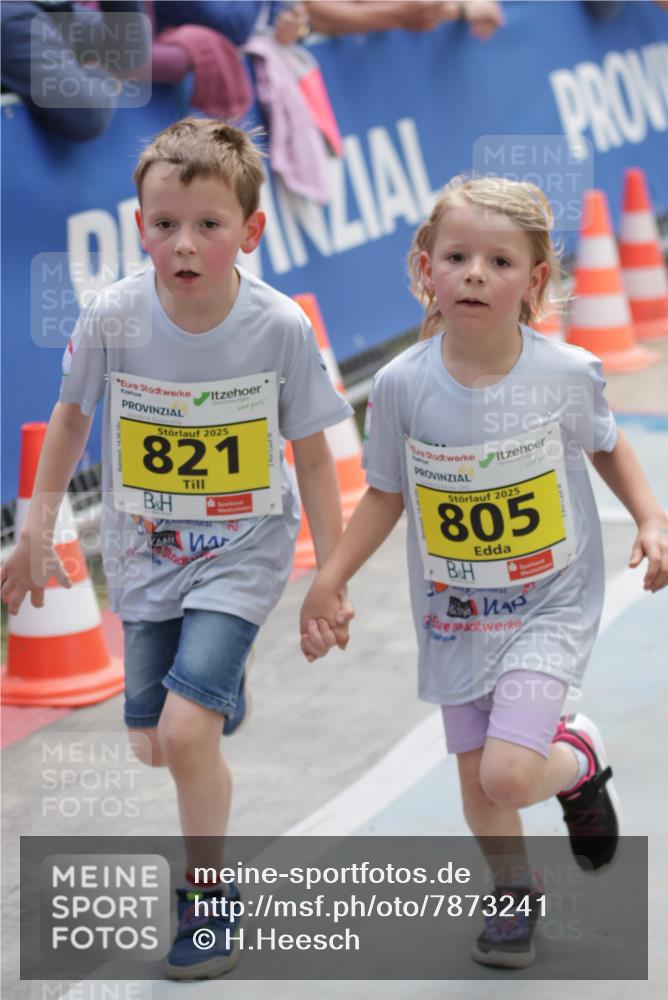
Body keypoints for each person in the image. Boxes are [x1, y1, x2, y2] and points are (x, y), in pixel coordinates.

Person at [0, 117, 353, 980]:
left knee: (189, 734)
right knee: (155, 742)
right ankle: (214, 690)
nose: (184, 245)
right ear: (138, 225)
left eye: (208, 225)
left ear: (251, 231)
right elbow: (73, 418)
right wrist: (35, 526)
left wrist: (331, 581)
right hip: (145, 551)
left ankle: (209, 899)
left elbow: (311, 451)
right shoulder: (115, 314)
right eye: (164, 225)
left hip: (244, 548)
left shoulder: (277, 328)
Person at [299, 175, 668, 968]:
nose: (473, 273)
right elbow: (387, 493)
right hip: (455, 613)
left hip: (549, 605)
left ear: (534, 281)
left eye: (499, 261)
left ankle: (579, 759)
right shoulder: (400, 385)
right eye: (456, 255)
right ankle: (511, 898)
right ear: (423, 266)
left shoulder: (564, 372)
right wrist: (332, 577)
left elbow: (606, 441)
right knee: (477, 784)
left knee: (507, 774)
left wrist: (651, 516)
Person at [0, 1, 151, 142]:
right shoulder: (12, 17)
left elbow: (129, 53)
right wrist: (105, 76)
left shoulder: (50, 8)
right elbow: (87, 115)